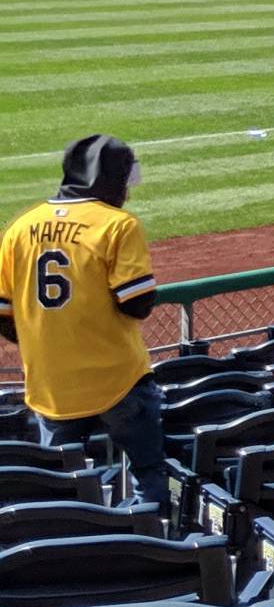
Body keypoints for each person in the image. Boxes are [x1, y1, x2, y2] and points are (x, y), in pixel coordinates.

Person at [0, 135, 166, 506]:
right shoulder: (118, 225)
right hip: (119, 382)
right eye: (124, 179)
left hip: (52, 387)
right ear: (110, 179)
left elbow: (4, 317)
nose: (128, 191)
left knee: (60, 490)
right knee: (148, 473)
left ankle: (73, 555)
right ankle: (150, 546)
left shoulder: (20, 228)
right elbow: (137, 303)